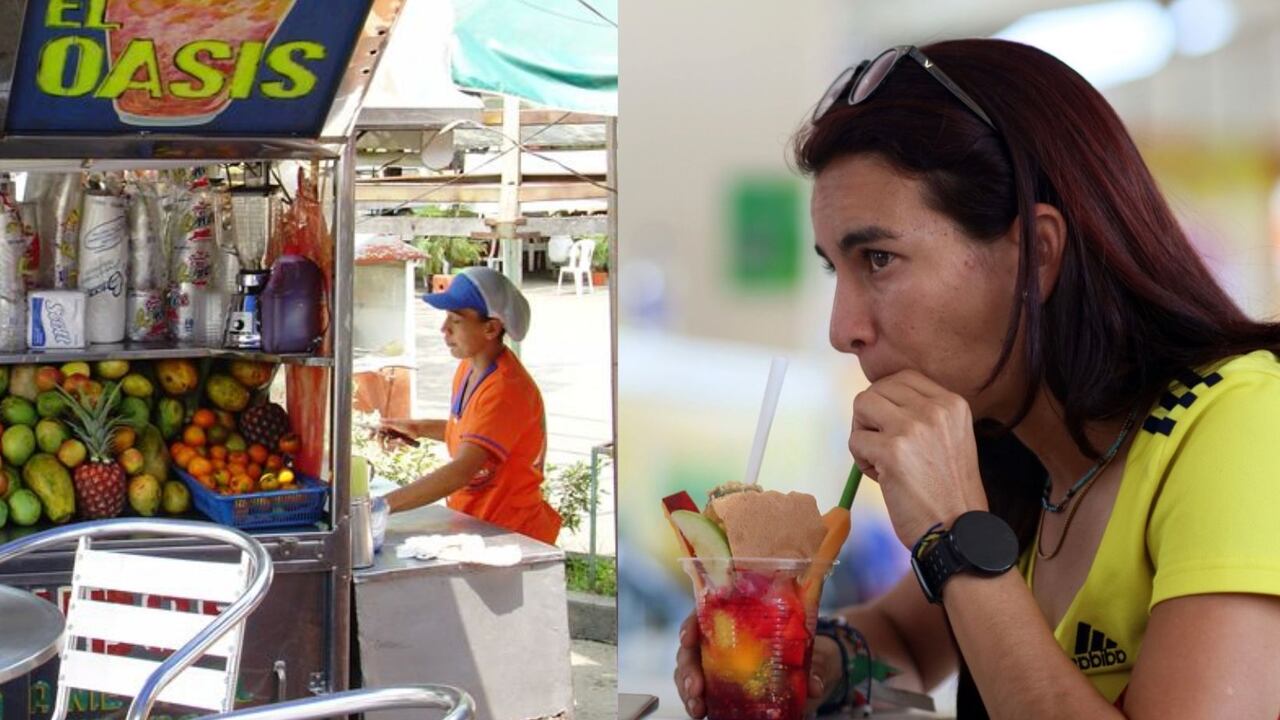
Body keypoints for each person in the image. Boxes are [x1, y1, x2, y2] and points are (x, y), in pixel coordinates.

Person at [674, 39, 1280, 718]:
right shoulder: (1017, 450)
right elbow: (907, 636)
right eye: (833, 270)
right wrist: (811, 659)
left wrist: (956, 533)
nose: (842, 330)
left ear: (1037, 257)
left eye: (878, 258)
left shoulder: (1245, 421)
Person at [376, 266, 562, 545]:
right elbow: (472, 431)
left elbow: (463, 469)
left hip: (511, 535)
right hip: (477, 525)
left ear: (490, 328)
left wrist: (379, 506)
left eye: (456, 320)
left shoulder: (506, 389)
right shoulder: (469, 368)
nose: (444, 329)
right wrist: (417, 427)